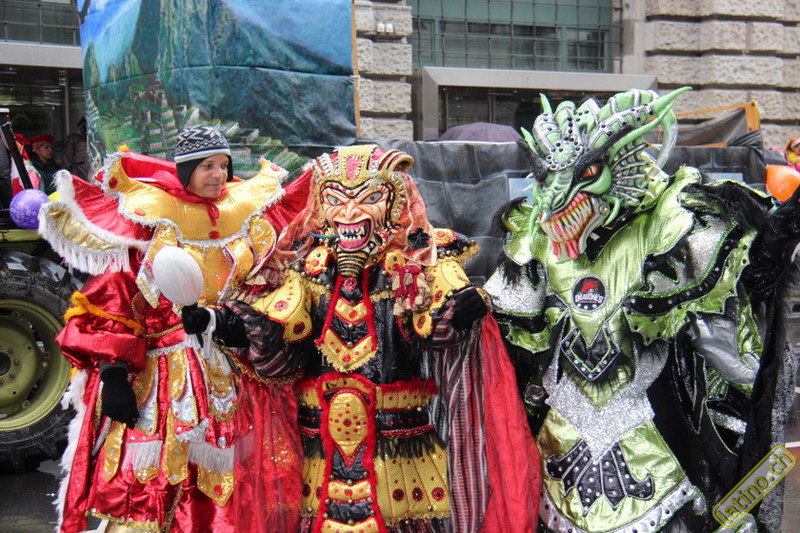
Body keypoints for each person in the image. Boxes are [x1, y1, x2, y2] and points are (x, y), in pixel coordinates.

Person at [183, 144, 542, 533]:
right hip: (319, 452)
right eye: (335, 199)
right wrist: (221, 322)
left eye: (368, 198)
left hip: (401, 452)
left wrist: (461, 311)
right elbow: (279, 337)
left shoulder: (420, 262)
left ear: (394, 203)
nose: (349, 213)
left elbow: (436, 330)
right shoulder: (306, 268)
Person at [485, 88, 798, 532]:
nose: (557, 199)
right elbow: (506, 328)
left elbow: (745, 285)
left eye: (584, 174)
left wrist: (778, 238)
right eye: (548, 178)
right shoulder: (535, 234)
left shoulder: (674, 219)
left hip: (655, 434)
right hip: (560, 440)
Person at [40, 125, 306, 533]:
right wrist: (113, 374)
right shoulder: (151, 220)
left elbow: (263, 291)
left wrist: (234, 323)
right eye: (207, 166)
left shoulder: (245, 217)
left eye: (223, 165)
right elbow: (114, 300)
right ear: (185, 171)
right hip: (163, 380)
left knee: (232, 484)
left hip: (234, 377)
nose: (218, 174)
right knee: (158, 480)